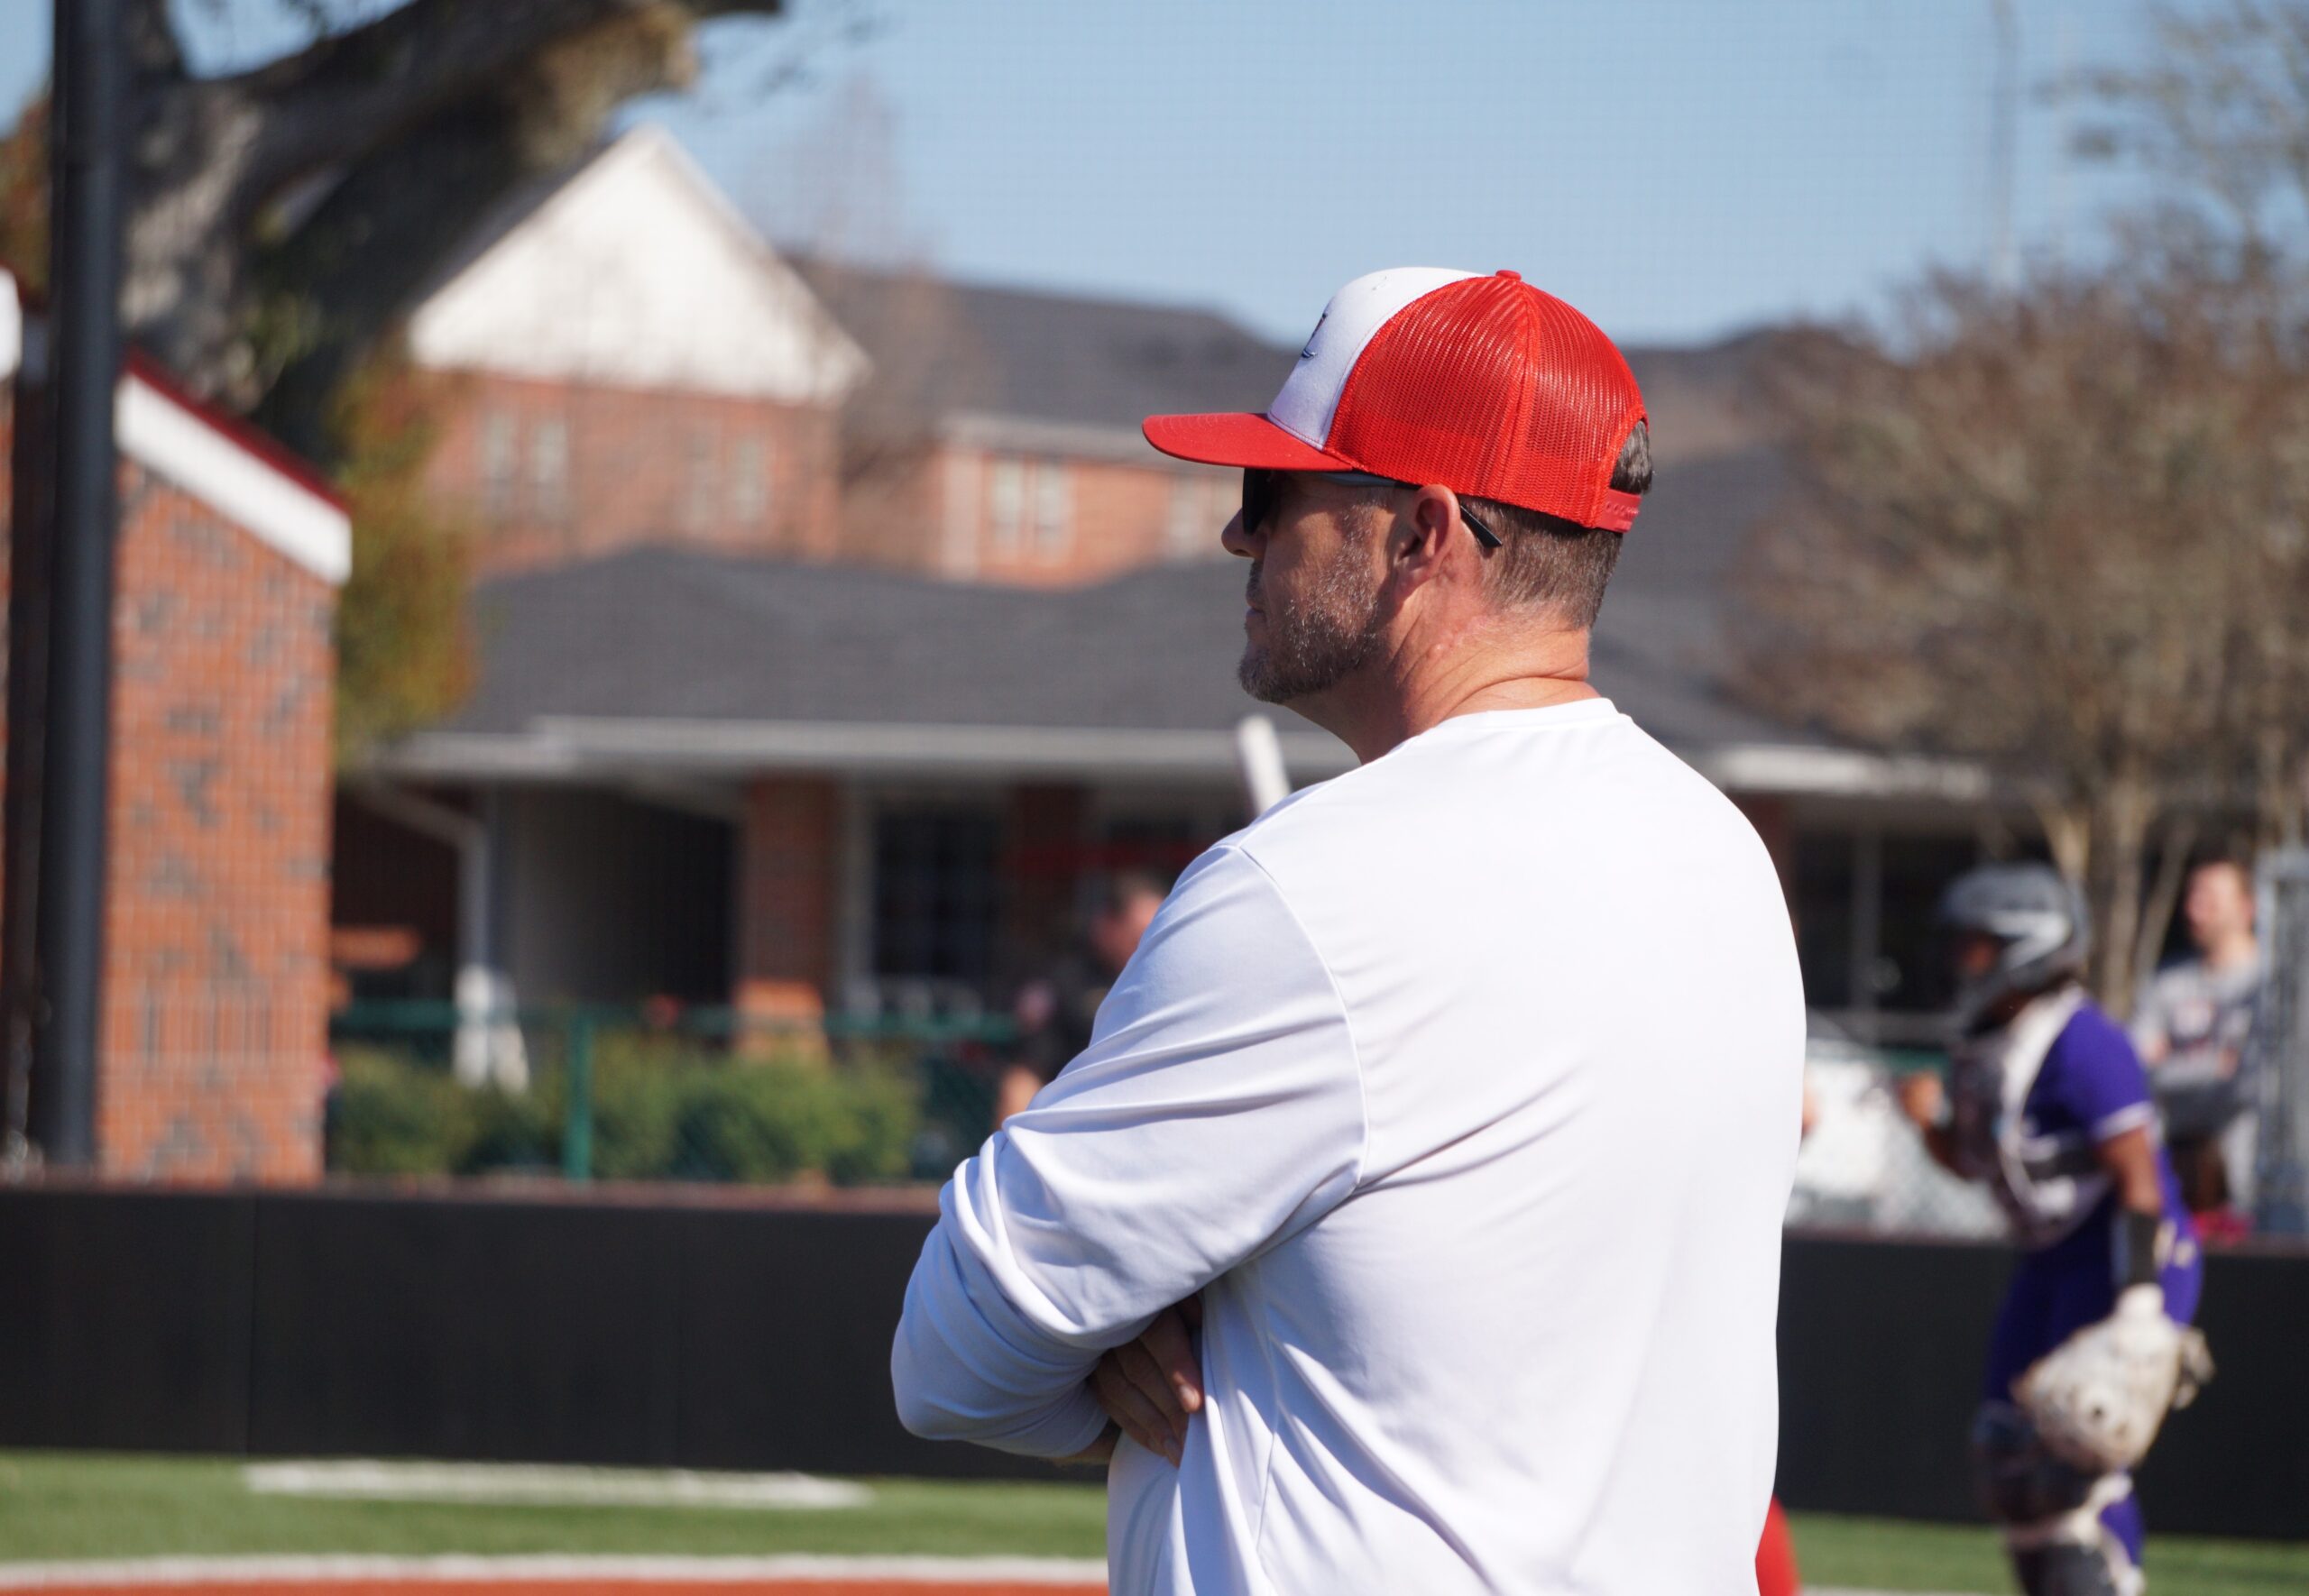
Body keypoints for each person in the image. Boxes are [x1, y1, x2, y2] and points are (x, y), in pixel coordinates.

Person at [891, 267, 1805, 1594]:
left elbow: (950, 1348)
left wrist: (1132, 1337)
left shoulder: (1308, 890)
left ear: (1422, 534)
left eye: (1275, 497)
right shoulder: (1723, 853)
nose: (1238, 538)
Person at [1898, 863, 2203, 1596]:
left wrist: (2139, 1307)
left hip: (2119, 1256)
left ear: (2023, 950)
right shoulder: (1991, 1043)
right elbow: (1979, 1168)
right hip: (2046, 1262)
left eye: (1977, 946)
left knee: (2078, 1452)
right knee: (2007, 1459)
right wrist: (1927, 1127)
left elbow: (2139, 1179)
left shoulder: (2083, 1041)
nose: (1960, 963)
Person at [2130, 858, 2263, 1234]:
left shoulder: (2270, 987)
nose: (2193, 910)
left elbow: (2254, 1080)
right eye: (2192, 898)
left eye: (2210, 900)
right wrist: (2215, 1065)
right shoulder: (2165, 983)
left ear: (2246, 909)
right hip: (2174, 1170)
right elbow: (2138, 1069)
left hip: (2247, 1179)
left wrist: (2174, 1060)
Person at [993, 871, 1168, 1127]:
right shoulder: (1067, 983)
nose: (1146, 945)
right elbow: (1026, 1076)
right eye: (1138, 934)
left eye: (1157, 934)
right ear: (1106, 925)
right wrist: (1008, 1151)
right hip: (1074, 1131)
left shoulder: (1165, 984)